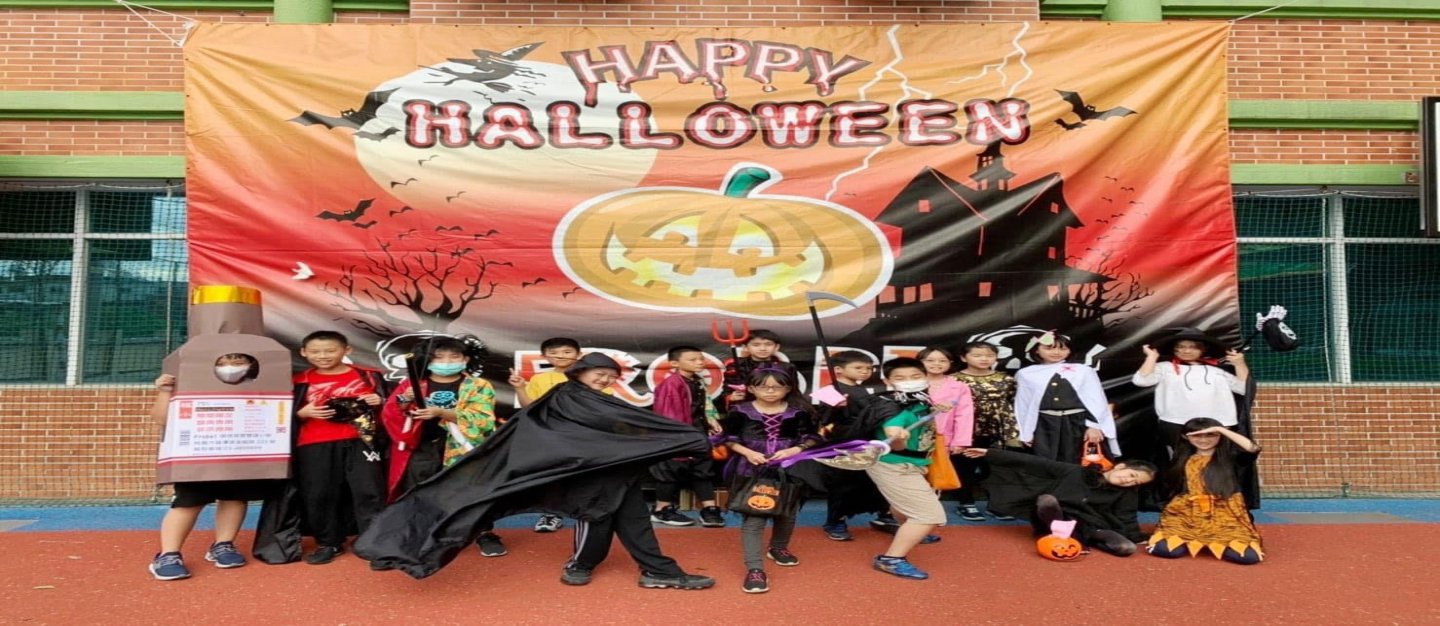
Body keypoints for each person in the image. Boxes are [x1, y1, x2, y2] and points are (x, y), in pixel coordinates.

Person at [356, 352, 715, 590]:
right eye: (599, 374)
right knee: (596, 519)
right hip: (587, 476)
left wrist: (680, 438)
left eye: (610, 376)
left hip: (617, 473)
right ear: (580, 373)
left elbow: (629, 427)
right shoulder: (567, 397)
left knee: (633, 520)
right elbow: (541, 431)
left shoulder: (600, 400)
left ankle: (657, 570)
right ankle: (583, 565)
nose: (605, 379)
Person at [147, 354, 276, 580]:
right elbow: (160, 418)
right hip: (199, 454)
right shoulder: (188, 383)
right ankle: (168, 554)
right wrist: (165, 391)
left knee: (235, 498)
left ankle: (223, 544)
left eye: (238, 363)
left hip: (240, 453)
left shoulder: (261, 386)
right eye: (222, 363)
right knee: (188, 502)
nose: (230, 368)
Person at [379, 335, 503, 558]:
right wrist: (404, 401)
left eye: (454, 356)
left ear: (466, 359)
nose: (447, 362)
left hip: (464, 447)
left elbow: (483, 420)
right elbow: (391, 414)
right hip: (423, 446)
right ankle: (423, 536)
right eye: (439, 357)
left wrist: (442, 413)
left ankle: (483, 533)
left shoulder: (478, 385)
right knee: (421, 490)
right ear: (428, 360)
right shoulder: (412, 384)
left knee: (472, 491)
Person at [290, 330, 389, 565]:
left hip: (363, 441)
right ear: (303, 352)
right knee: (319, 493)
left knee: (370, 491)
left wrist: (380, 401)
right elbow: (278, 415)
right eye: (315, 351)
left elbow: (397, 409)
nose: (323, 356)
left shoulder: (370, 376)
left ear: (347, 350)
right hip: (314, 443)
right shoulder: (298, 381)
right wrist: (301, 413)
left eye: (330, 350)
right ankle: (328, 543)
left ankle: (373, 543)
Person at [720, 366, 821, 593]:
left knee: (787, 512)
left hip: (790, 469)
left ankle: (778, 547)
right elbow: (728, 439)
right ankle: (755, 569)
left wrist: (794, 449)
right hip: (751, 470)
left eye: (777, 387)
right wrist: (748, 452)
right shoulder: (740, 411)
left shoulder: (799, 412)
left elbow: (812, 437)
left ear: (788, 388)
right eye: (764, 387)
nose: (770, 391)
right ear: (751, 388)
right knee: (754, 517)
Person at [853, 357, 947, 580]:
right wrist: (897, 437)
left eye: (915, 376)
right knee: (929, 515)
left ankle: (910, 530)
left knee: (902, 503)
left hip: (912, 463)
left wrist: (938, 409)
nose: (909, 381)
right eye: (901, 378)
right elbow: (894, 436)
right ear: (888, 381)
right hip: (896, 464)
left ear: (925, 376)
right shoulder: (892, 406)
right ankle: (891, 559)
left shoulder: (918, 398)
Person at [963, 447, 1155, 556]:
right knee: (1046, 500)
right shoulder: (1075, 472)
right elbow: (1034, 462)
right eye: (1131, 475)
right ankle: (1063, 537)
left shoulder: (1126, 493)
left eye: (1135, 482)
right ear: (1120, 466)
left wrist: (1136, 536)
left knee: (1126, 548)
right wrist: (990, 453)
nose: (1128, 481)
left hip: (1090, 525)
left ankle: (1083, 540)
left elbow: (1127, 516)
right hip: (1056, 518)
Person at [1148, 418, 1264, 565]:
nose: (1204, 440)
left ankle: (1214, 541)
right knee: (1166, 550)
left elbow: (1253, 448)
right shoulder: (1180, 458)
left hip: (1225, 515)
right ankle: (1193, 539)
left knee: (1247, 557)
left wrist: (1221, 430)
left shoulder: (1230, 457)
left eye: (1211, 435)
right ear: (1186, 437)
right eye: (1197, 435)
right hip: (1186, 514)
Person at [812, 350, 899, 542]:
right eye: (858, 367)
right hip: (844, 442)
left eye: (868, 368)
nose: (865, 371)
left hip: (869, 439)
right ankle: (835, 521)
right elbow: (821, 420)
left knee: (877, 480)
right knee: (843, 483)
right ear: (838, 369)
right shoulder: (829, 391)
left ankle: (884, 515)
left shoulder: (865, 389)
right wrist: (836, 408)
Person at [1133, 328, 1249, 458]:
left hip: (1217, 424)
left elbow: (1244, 389)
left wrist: (1240, 364)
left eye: (1193, 347)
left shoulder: (1217, 370)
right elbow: (1141, 381)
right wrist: (1151, 357)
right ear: (1174, 349)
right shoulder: (1165, 367)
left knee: (1218, 459)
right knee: (1180, 460)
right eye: (1181, 347)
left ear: (1203, 349)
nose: (1186, 351)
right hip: (1176, 423)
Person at [506, 336, 582, 533]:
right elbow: (529, 407)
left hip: (583, 433)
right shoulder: (539, 379)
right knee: (552, 473)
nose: (561, 356)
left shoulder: (589, 376)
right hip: (549, 433)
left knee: (584, 474)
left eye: (567, 352)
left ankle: (588, 513)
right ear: (544, 356)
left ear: (579, 354)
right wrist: (520, 387)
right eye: (554, 353)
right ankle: (551, 514)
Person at [649, 346, 726, 528]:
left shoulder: (696, 381)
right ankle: (661, 510)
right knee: (670, 472)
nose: (699, 362)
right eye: (693, 359)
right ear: (675, 363)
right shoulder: (671, 384)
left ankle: (709, 508)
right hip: (678, 437)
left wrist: (709, 420)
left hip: (696, 434)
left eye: (701, 359)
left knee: (703, 470)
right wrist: (682, 439)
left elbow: (701, 407)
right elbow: (670, 415)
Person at [1014, 331, 1119, 463]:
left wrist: (1094, 426)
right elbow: (1023, 405)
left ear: (1069, 351)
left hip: (1077, 423)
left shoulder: (1083, 371)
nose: (1056, 352)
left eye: (1063, 348)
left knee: (1077, 461)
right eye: (1049, 348)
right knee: (1044, 462)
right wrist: (1026, 431)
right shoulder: (1026, 373)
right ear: (1036, 350)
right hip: (1043, 424)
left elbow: (1096, 400)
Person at [953, 341, 1021, 521]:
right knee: (965, 467)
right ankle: (966, 503)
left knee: (996, 468)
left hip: (1000, 430)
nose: (984, 359)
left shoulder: (1007, 379)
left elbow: (1014, 401)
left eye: (989, 355)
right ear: (963, 358)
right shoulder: (954, 380)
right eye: (977, 355)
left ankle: (997, 505)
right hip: (968, 430)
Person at [919, 347, 974, 507]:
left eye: (942, 360)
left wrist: (960, 441)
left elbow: (964, 415)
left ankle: (929, 509)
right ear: (920, 362)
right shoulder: (911, 383)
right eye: (930, 360)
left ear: (950, 363)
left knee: (935, 474)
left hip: (942, 438)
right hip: (912, 437)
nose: (936, 364)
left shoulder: (959, 386)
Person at [721, 329, 791, 409]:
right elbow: (727, 390)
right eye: (756, 345)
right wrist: (731, 397)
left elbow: (793, 392)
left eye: (768, 344)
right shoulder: (736, 365)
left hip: (778, 407)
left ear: (776, 347)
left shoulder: (786, 367)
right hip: (745, 407)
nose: (763, 348)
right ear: (745, 347)